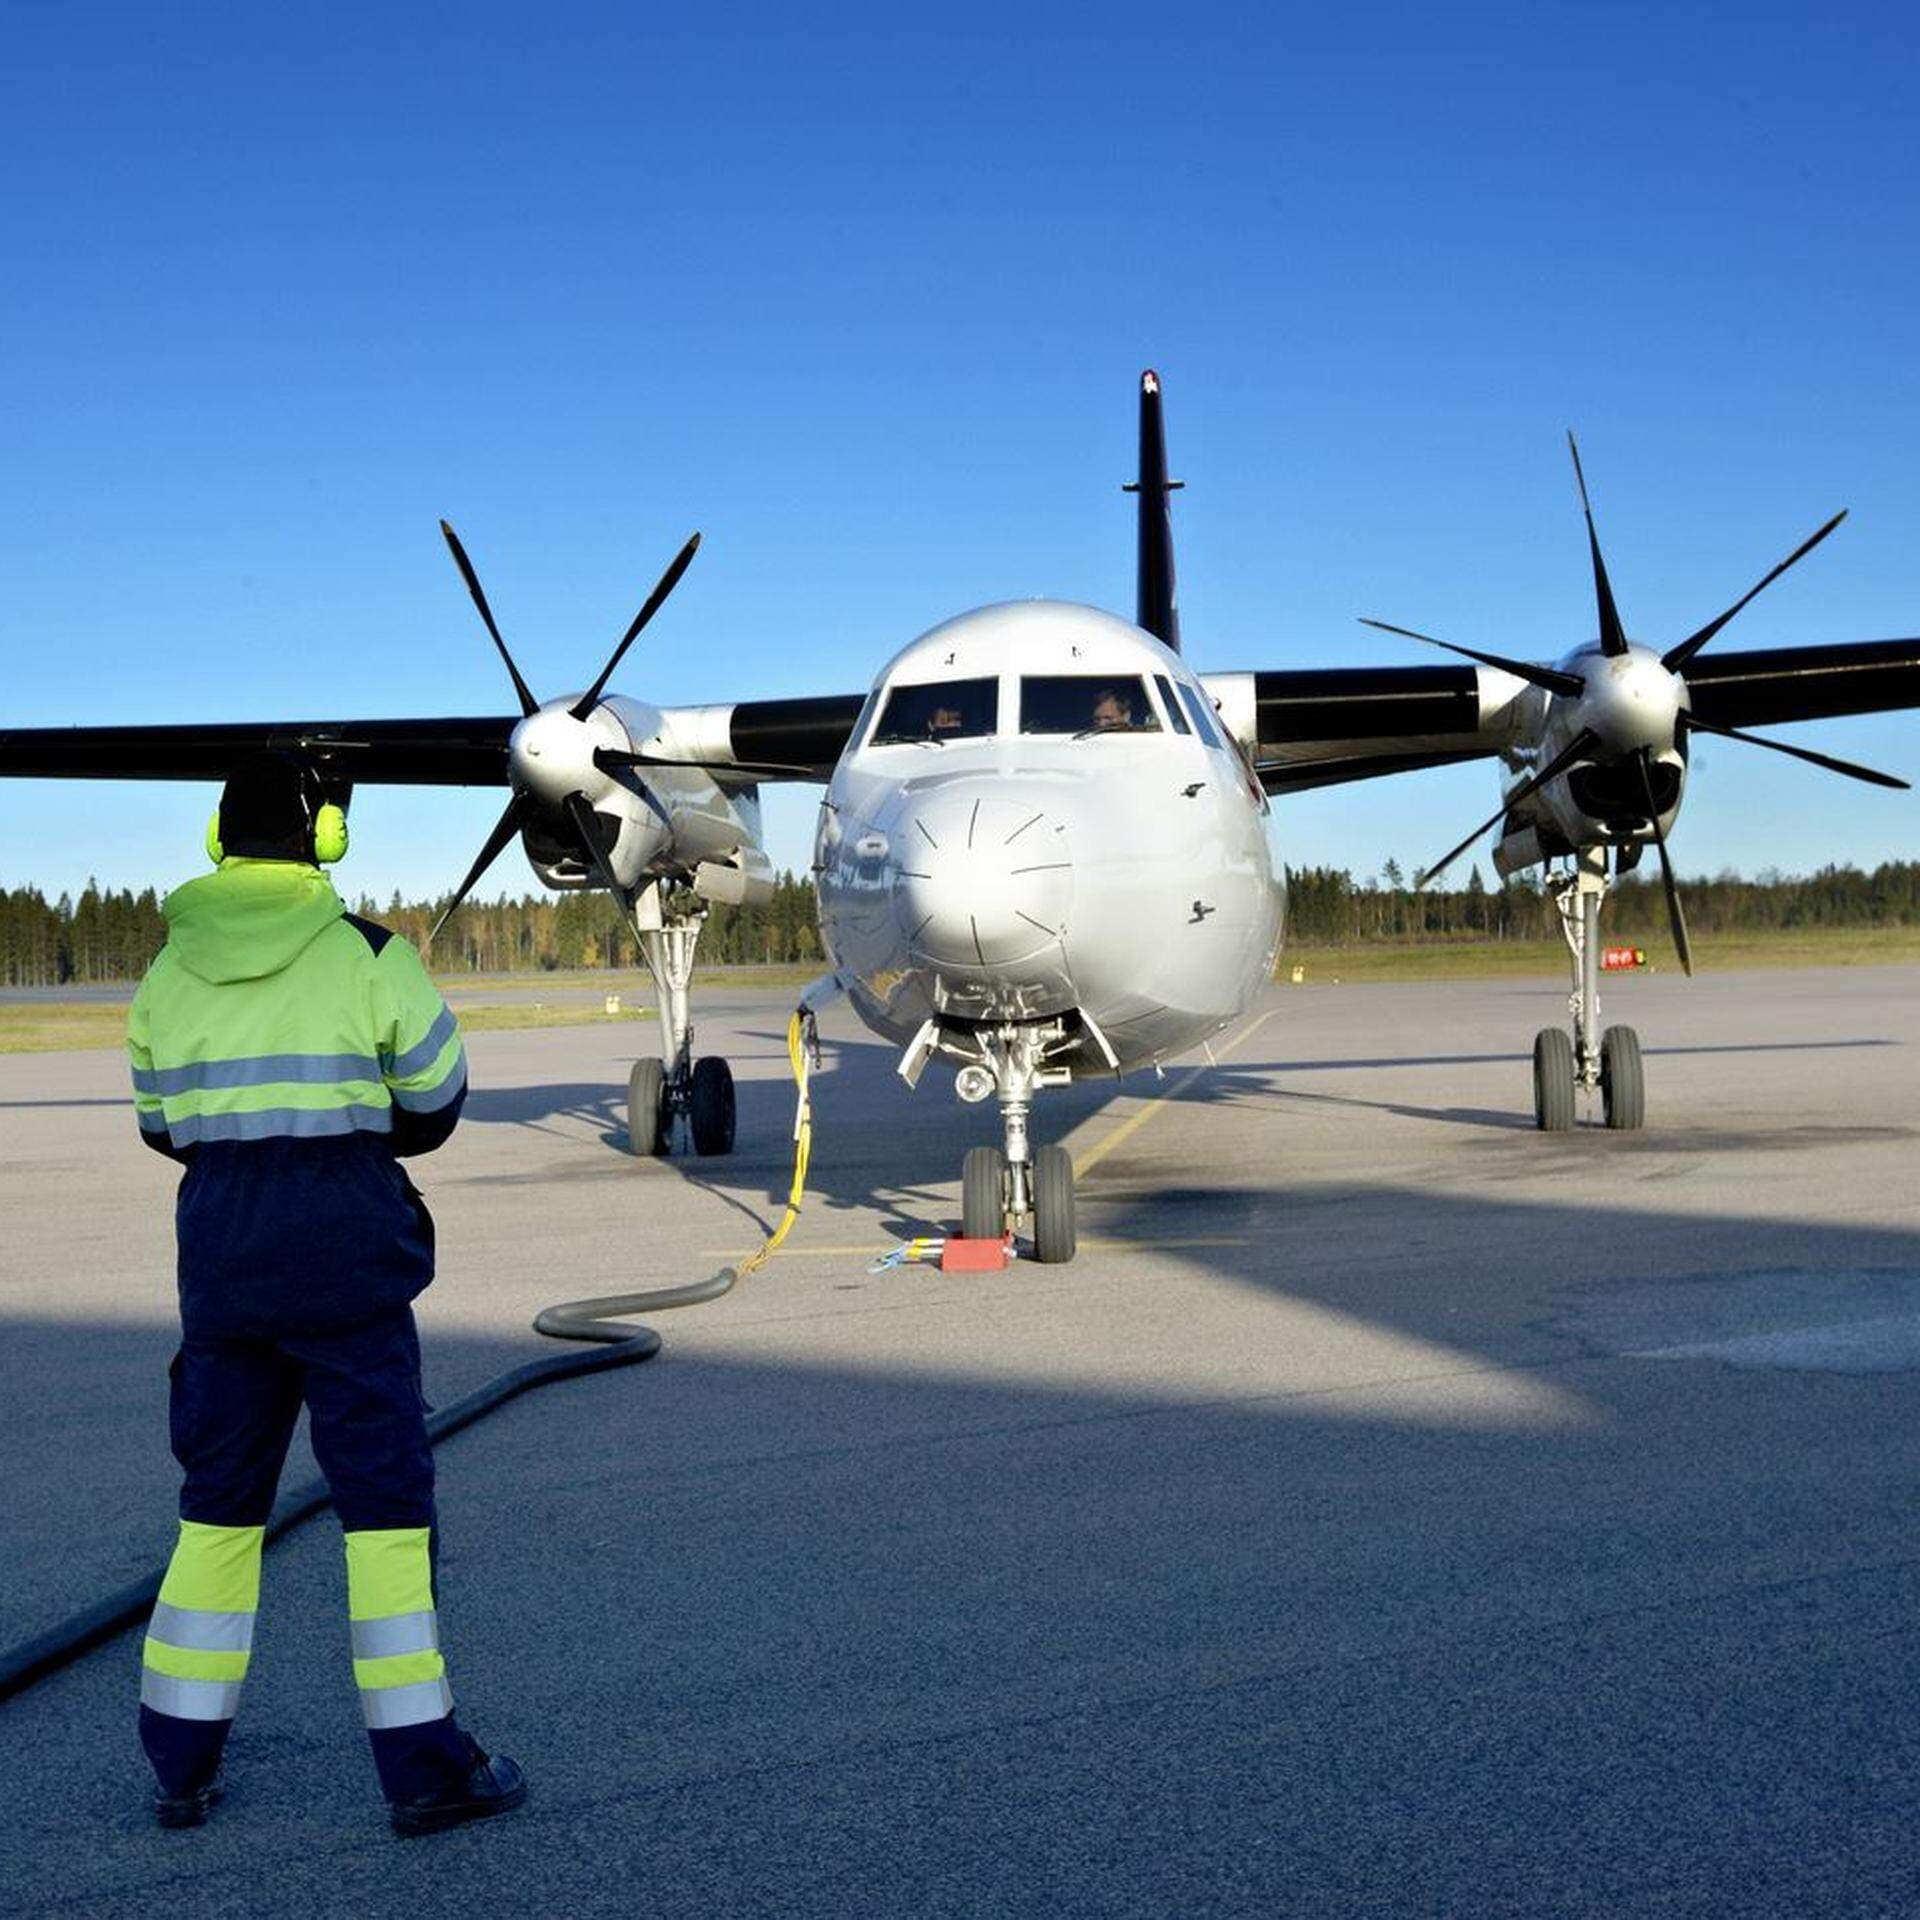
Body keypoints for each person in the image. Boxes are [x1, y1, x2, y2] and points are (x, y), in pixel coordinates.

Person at [127, 750, 525, 1837]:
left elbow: (160, 1124)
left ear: (219, 842)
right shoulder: (369, 954)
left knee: (215, 1516)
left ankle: (178, 1768)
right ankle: (424, 1771)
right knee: (385, 1521)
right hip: (348, 1277)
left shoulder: (167, 974)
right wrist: (348, 1137)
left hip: (223, 1281)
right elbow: (437, 1100)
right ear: (318, 841)